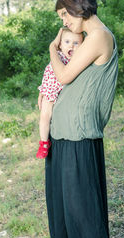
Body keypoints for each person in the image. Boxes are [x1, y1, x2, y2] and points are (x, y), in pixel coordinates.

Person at [38, 0, 118, 238]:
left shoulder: (100, 37)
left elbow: (63, 75)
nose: (63, 21)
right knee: (63, 217)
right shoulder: (88, 39)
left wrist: (52, 48)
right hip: (62, 136)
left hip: (78, 138)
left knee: (83, 219)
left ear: (78, 7)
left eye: (65, 14)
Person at [36, 28, 83, 159]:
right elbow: (47, 74)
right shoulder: (58, 55)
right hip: (50, 91)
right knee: (45, 116)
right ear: (61, 45)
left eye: (76, 43)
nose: (71, 46)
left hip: (64, 93)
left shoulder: (79, 60)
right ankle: (44, 142)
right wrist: (60, 34)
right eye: (67, 42)